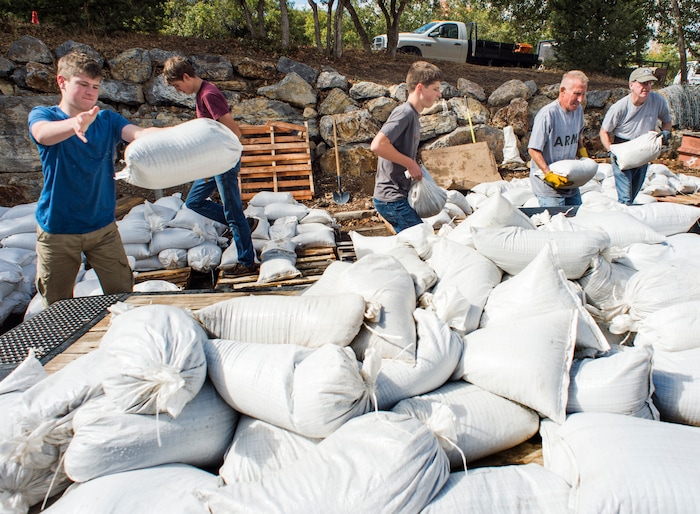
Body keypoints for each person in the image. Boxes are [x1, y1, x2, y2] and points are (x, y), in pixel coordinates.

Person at [28, 51, 163, 307]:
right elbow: (42, 134)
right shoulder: (44, 115)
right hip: (58, 230)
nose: (90, 92)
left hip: (102, 228)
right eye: (82, 84)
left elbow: (139, 133)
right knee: (56, 306)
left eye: (95, 87)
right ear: (62, 82)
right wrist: (74, 125)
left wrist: (182, 133)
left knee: (122, 292)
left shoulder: (106, 119)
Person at [162, 55, 256, 274]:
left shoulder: (209, 95)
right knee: (193, 201)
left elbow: (234, 130)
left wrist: (226, 160)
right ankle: (244, 224)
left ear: (186, 76)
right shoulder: (201, 94)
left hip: (222, 161)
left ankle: (247, 262)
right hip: (212, 162)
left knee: (233, 213)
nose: (178, 91)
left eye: (177, 86)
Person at [371, 60, 443, 234]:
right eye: (435, 89)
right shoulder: (405, 113)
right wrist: (410, 164)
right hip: (391, 199)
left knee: (414, 243)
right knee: (423, 242)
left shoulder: (413, 115)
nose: (439, 95)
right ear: (420, 87)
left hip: (397, 197)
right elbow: (378, 145)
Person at [600, 67, 672, 205]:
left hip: (644, 147)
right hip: (623, 147)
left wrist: (665, 133)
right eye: (643, 83)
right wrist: (611, 150)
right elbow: (604, 131)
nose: (646, 87)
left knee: (634, 192)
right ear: (631, 85)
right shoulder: (620, 107)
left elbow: (667, 121)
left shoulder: (657, 101)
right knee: (625, 197)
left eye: (649, 83)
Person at [528, 70, 590, 207]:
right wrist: (548, 174)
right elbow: (533, 149)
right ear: (562, 91)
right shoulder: (548, 115)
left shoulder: (578, 111)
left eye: (583, 94)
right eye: (577, 94)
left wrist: (583, 154)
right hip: (548, 186)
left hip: (570, 183)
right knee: (557, 225)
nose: (580, 99)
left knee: (577, 219)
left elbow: (578, 135)